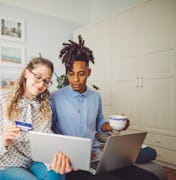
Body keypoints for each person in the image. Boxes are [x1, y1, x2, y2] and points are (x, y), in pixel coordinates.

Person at [50, 35, 159, 180]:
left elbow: (99, 122)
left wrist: (111, 125)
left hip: (98, 156)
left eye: (81, 74)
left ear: (89, 72)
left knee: (150, 178)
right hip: (73, 161)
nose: (76, 79)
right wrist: (76, 152)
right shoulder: (55, 97)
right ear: (67, 74)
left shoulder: (95, 97)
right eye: (71, 74)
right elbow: (50, 131)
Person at [0, 57, 72, 180]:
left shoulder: (44, 107)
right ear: (26, 73)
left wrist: (60, 158)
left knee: (57, 173)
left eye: (46, 81)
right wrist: (4, 140)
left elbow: (45, 143)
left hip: (33, 164)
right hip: (5, 167)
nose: (41, 84)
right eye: (38, 77)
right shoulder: (2, 99)